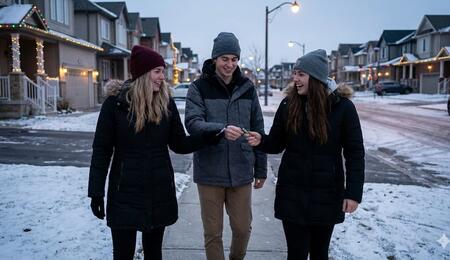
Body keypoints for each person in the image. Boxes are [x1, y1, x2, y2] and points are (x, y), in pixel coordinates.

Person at [88, 45, 221, 260]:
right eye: (157, 71)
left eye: (163, 71)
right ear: (143, 73)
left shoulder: (165, 103)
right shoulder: (115, 105)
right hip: (124, 193)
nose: (163, 77)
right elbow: (101, 150)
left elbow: (179, 144)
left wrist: (208, 137)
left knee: (153, 254)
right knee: (123, 255)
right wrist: (96, 191)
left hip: (158, 191)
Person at [247, 49, 365, 260]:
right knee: (296, 254)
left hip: (327, 194)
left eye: (301, 74)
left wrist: (353, 193)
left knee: (320, 254)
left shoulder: (343, 108)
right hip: (293, 192)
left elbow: (355, 153)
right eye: (295, 74)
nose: (295, 79)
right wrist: (261, 141)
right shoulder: (288, 104)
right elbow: (276, 143)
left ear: (316, 77)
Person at [184, 32, 267, 260]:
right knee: (213, 233)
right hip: (210, 171)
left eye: (234, 59)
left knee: (242, 229)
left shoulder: (248, 88)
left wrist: (260, 169)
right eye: (224, 59)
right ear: (214, 59)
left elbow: (258, 129)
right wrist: (220, 130)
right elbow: (193, 122)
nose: (229, 64)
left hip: (241, 171)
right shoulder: (198, 87)